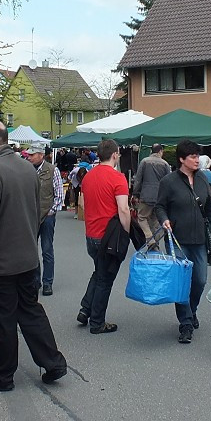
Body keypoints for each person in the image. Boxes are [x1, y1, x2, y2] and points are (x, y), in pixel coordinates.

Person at [0, 121, 67, 391]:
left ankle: (3, 375)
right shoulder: (27, 168)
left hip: (0, 264)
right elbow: (36, 211)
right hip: (26, 258)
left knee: (3, 322)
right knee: (30, 310)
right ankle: (53, 361)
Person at [153, 139, 211, 344]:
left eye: (197, 156)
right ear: (182, 159)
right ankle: (185, 323)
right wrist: (165, 219)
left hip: (199, 239)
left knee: (200, 280)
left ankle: (191, 310)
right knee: (181, 282)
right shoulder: (169, 182)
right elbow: (159, 206)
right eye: (193, 156)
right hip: (177, 240)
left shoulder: (203, 179)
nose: (197, 160)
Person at [77, 139, 131, 335]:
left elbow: (81, 203)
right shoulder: (118, 178)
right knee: (105, 279)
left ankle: (85, 309)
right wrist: (125, 234)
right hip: (108, 236)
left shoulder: (88, 176)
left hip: (91, 234)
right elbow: (124, 210)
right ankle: (97, 322)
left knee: (99, 272)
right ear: (115, 154)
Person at [26, 143, 63, 295]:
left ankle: (48, 282)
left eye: (32, 155)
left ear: (41, 155)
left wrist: (52, 211)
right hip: (30, 216)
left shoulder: (53, 170)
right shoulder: (26, 170)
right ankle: (35, 281)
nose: (29, 157)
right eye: (29, 154)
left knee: (47, 250)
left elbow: (59, 194)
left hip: (47, 216)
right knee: (31, 250)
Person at [131, 143, 169, 244]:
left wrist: (136, 194)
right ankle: (155, 242)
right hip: (159, 197)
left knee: (142, 217)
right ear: (160, 151)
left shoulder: (144, 161)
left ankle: (149, 239)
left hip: (146, 196)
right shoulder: (165, 164)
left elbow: (138, 180)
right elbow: (168, 182)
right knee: (156, 221)